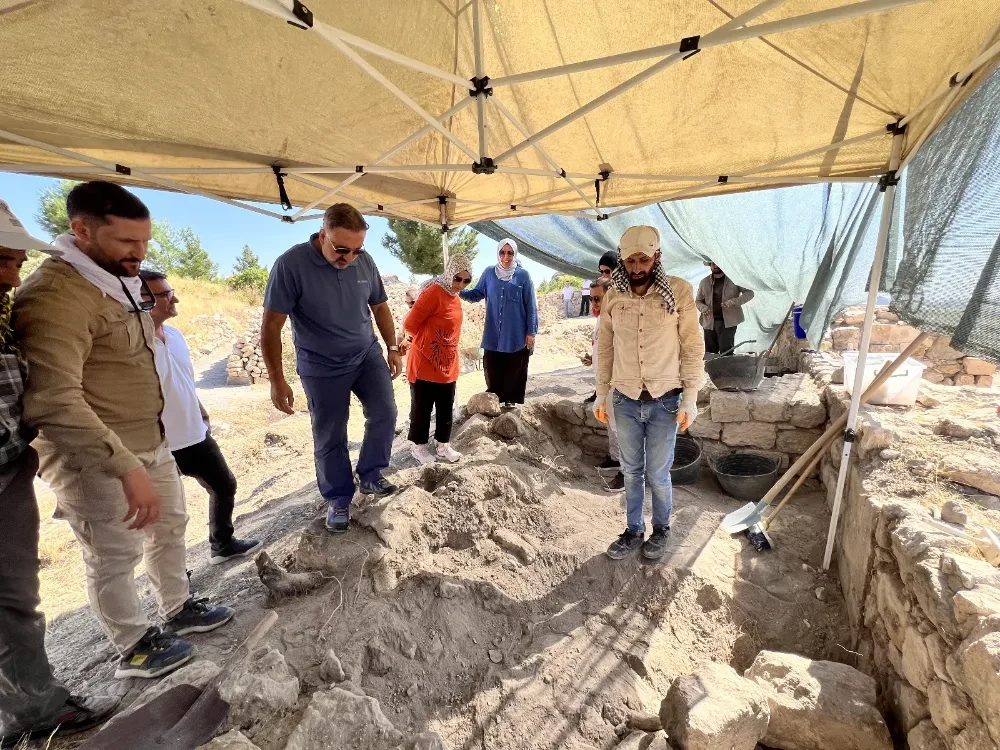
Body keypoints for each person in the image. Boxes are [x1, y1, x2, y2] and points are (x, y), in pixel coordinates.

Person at [13, 181, 233, 681]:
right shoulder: (56, 297)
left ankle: (177, 607)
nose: (140, 254)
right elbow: (53, 399)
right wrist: (124, 464)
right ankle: (132, 645)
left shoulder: (115, 278)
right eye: (126, 243)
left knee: (170, 526)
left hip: (148, 442)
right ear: (81, 231)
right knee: (114, 552)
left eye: (145, 243)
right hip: (94, 457)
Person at [0, 201, 120, 747]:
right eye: (2, 259)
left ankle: (30, 705)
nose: (13, 275)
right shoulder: (45, 303)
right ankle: (32, 709)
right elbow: (54, 398)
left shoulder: (3, 318)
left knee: (15, 599)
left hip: (8, 471)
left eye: (17, 260)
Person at [261, 203, 402, 535]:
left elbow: (380, 306)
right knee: (330, 435)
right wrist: (277, 380)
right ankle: (338, 497)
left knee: (385, 412)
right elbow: (270, 327)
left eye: (356, 250)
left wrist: (392, 347)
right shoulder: (290, 265)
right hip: (320, 366)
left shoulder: (364, 261)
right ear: (322, 235)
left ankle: (370, 475)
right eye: (341, 249)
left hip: (366, 354)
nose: (349, 257)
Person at [594, 226, 704, 561]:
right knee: (631, 471)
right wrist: (601, 394)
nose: (638, 267)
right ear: (623, 261)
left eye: (644, 259)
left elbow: (693, 346)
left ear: (656, 258)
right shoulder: (613, 296)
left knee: (658, 473)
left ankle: (662, 530)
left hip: (665, 401)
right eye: (631, 261)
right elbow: (606, 349)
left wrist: (690, 397)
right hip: (625, 399)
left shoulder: (679, 292)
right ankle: (633, 530)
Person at [140, 270, 260, 565]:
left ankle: (222, 544)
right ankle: (177, 587)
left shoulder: (176, 335)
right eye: (165, 294)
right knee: (167, 519)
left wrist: (199, 408)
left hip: (194, 433)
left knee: (224, 484)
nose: (174, 298)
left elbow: (182, 379)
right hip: (159, 443)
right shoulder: (132, 344)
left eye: (171, 291)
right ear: (141, 299)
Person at [404, 255, 473, 465]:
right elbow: (410, 323)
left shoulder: (455, 296)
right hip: (425, 362)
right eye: (457, 278)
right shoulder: (434, 292)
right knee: (422, 409)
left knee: (445, 407)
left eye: (466, 281)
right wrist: (430, 343)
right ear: (449, 273)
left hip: (447, 363)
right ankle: (419, 448)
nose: (460, 284)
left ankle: (443, 446)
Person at [462, 239, 538, 409]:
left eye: (510, 253)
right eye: (502, 252)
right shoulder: (489, 273)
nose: (506, 256)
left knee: (515, 366)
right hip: (493, 332)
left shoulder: (523, 276)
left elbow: (531, 306)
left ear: (515, 254)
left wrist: (531, 332)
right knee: (493, 366)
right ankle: (494, 399)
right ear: (498, 253)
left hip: (516, 332)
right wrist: (459, 289)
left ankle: (510, 399)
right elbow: (476, 294)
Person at [580, 279, 624, 491]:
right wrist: (592, 359)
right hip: (604, 383)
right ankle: (615, 459)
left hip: (617, 383)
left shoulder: (620, 320)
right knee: (611, 424)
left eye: (597, 299)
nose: (593, 303)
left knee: (621, 427)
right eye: (591, 299)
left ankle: (628, 473)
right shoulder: (602, 320)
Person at [695, 262, 755, 355]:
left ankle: (726, 369)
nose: (715, 266)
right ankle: (712, 369)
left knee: (726, 351)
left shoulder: (734, 280)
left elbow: (749, 293)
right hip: (709, 322)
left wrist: (733, 302)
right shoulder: (704, 282)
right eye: (712, 264)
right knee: (710, 352)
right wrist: (703, 308)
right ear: (710, 266)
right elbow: (698, 301)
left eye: (718, 263)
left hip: (728, 323)